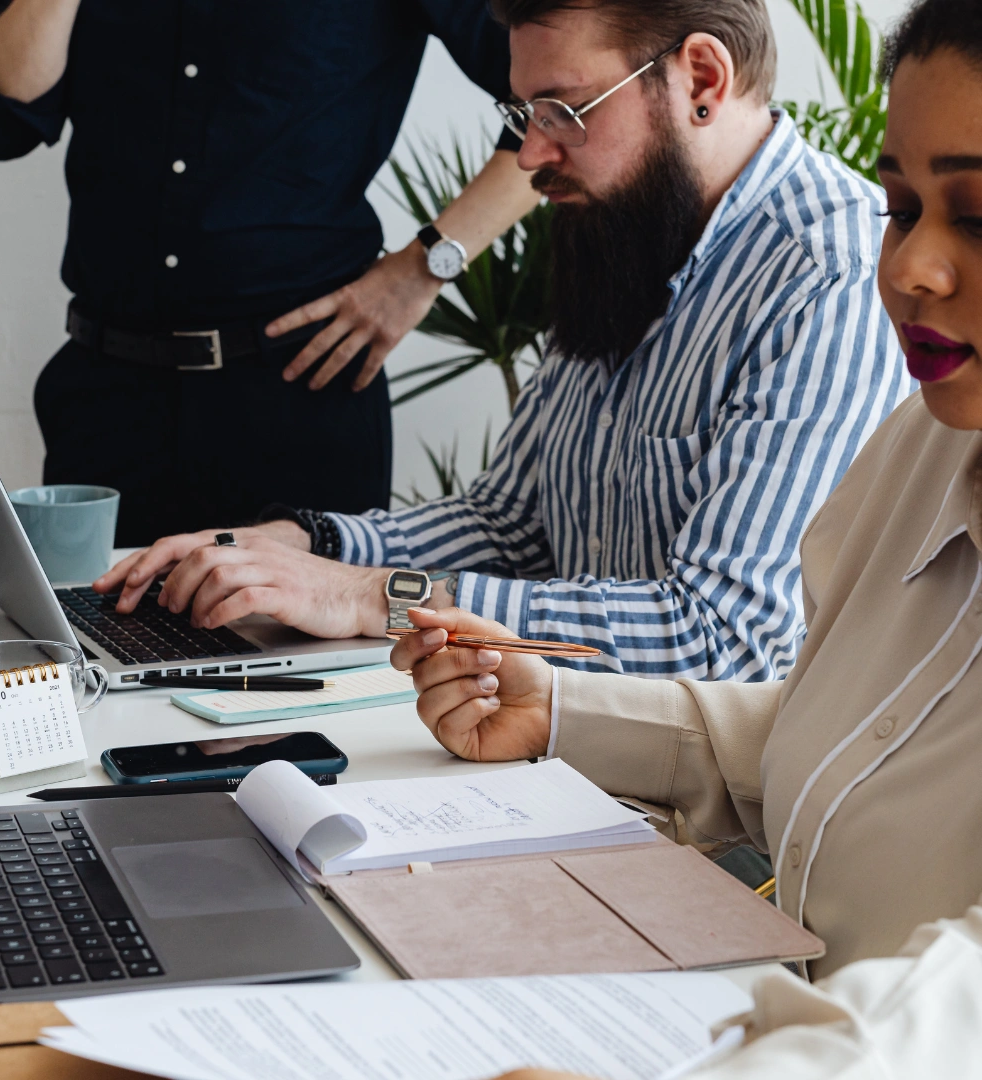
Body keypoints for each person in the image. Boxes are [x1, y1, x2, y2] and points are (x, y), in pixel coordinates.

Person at [390, 0, 982, 1068]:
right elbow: (852, 740)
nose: (908, 269)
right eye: (901, 207)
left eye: (976, 216)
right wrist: (561, 710)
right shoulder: (921, 451)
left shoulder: (820, 286)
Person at [99, 0, 909, 682]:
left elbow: (723, 640)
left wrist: (367, 594)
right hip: (565, 758)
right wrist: (304, 545)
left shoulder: (834, 276)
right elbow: (512, 523)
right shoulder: (625, 234)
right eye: (525, 115)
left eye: (564, 110)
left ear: (701, 79)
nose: (532, 153)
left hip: (729, 835)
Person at [0, 0, 539, 546]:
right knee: (89, 643)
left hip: (300, 387)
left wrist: (427, 265)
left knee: (306, 649)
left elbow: (560, 103)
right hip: (105, 388)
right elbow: (4, 121)